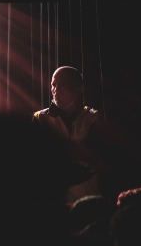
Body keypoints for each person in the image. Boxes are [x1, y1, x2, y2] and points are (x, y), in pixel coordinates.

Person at [31, 66, 107, 204]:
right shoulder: (40, 118)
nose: (55, 89)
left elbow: (99, 158)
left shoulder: (93, 117)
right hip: (54, 204)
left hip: (90, 202)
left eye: (62, 85)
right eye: (53, 84)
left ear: (77, 89)